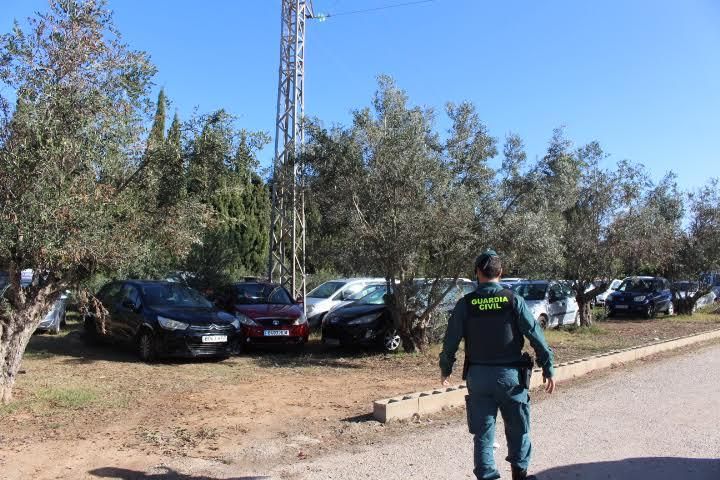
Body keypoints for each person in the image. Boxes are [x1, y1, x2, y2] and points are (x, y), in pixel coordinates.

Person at [439, 250, 555, 480]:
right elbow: (536, 335)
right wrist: (547, 366)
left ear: (477, 273)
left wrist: (446, 367)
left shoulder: (466, 304)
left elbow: (450, 339)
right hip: (511, 378)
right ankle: (519, 475)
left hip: (479, 377)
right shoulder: (513, 300)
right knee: (518, 429)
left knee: (483, 435)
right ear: (500, 273)